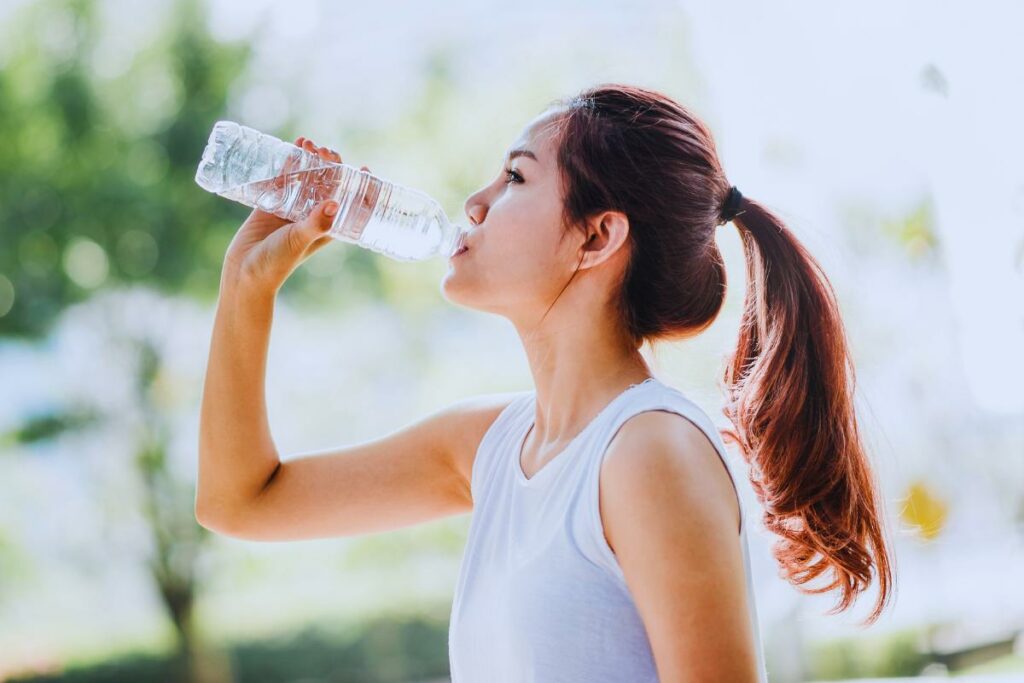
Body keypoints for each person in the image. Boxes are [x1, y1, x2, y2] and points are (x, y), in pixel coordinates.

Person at [196, 83, 896, 682]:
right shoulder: (490, 446)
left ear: (597, 237)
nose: (474, 202)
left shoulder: (649, 454)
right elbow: (241, 501)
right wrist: (246, 285)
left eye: (516, 178)